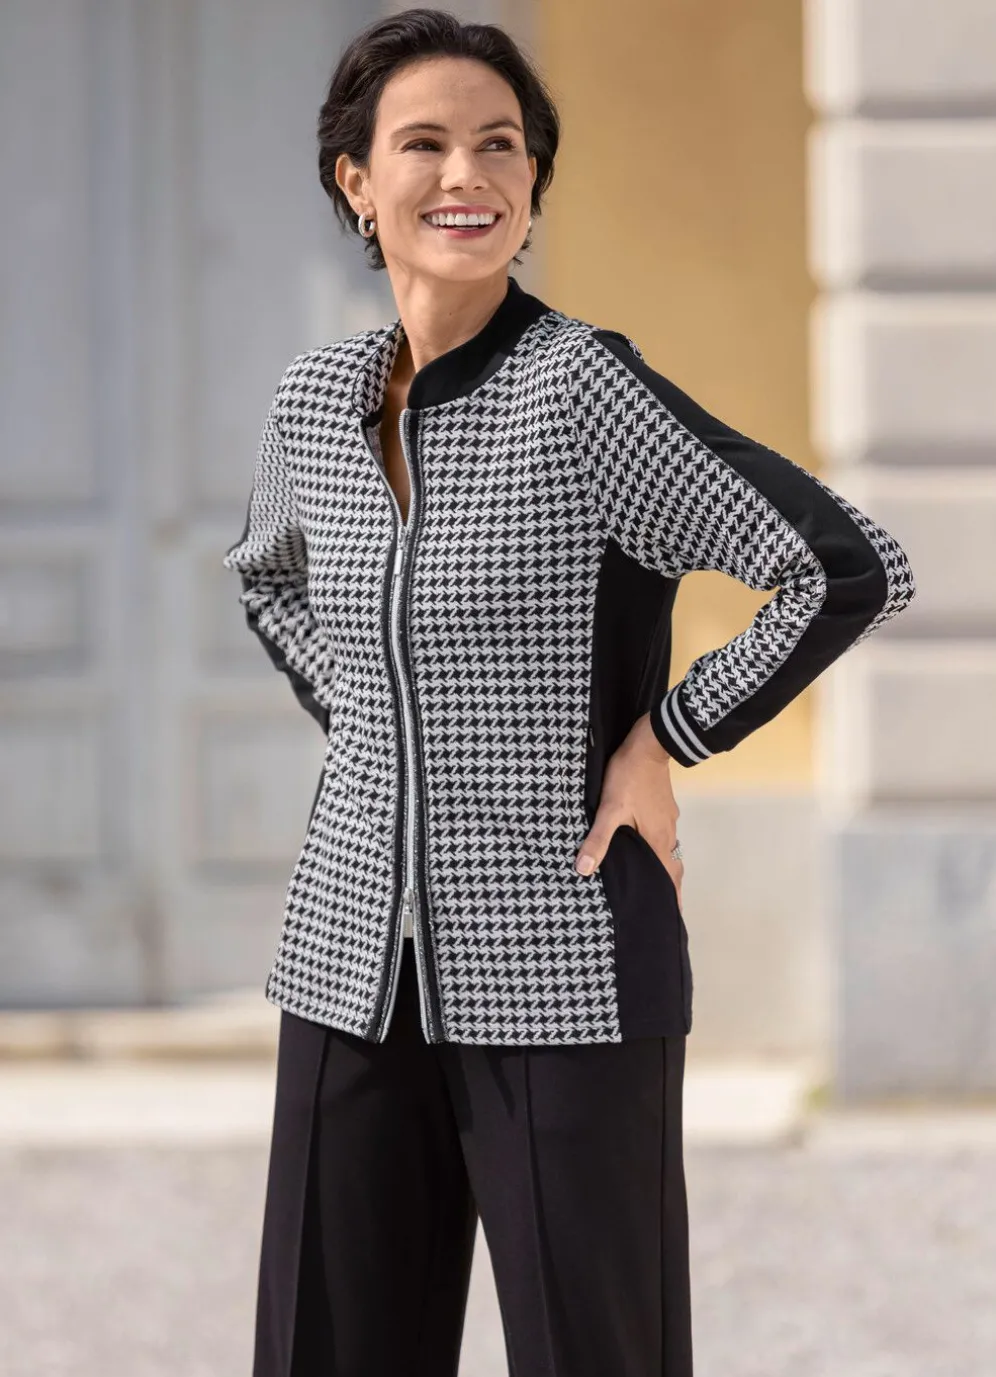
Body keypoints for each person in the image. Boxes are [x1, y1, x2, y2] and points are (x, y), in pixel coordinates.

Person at [222, 9, 917, 1376]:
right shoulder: (317, 400)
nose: (467, 174)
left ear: (534, 181)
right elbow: (268, 579)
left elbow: (843, 567)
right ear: (356, 181)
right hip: (350, 965)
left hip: (566, 958)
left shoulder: (581, 391)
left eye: (502, 145)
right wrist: (378, 738)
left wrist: (666, 738)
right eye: (425, 144)